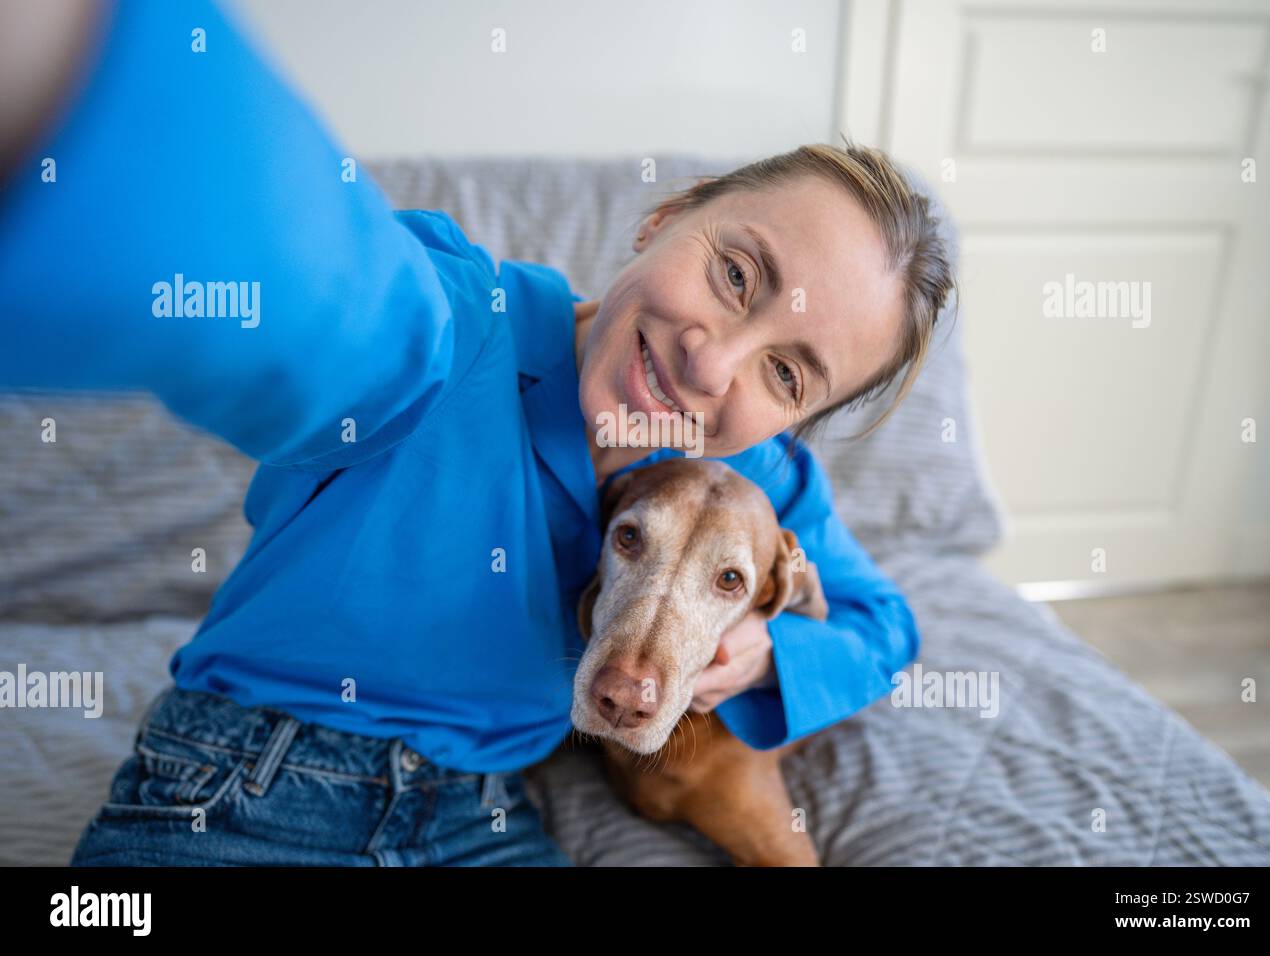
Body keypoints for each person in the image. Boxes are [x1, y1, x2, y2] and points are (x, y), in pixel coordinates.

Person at [0, 0, 956, 866]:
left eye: (786, 373)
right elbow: (305, 280)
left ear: (799, 420)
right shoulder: (450, 326)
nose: (713, 364)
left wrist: (758, 653)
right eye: (736, 275)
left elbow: (884, 624)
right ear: (665, 217)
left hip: (482, 821)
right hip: (242, 786)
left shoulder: (754, 480)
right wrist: (69, 73)